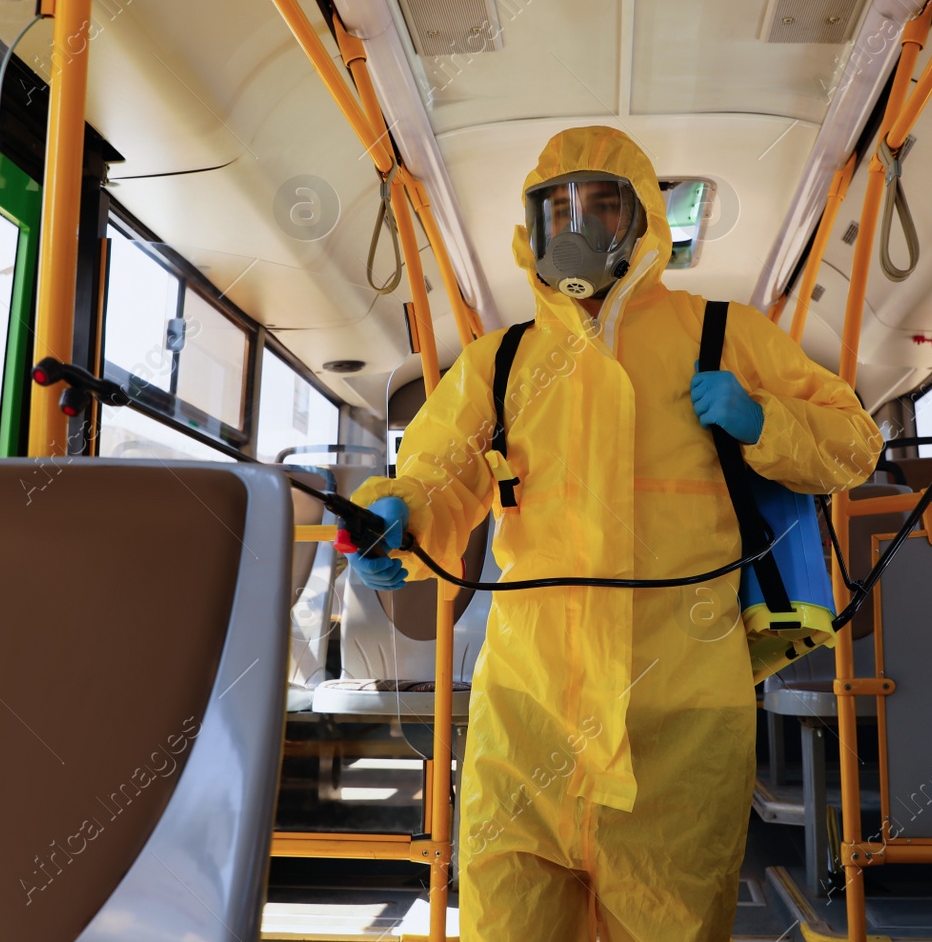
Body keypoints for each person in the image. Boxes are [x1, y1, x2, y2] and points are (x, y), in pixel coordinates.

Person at [349, 126, 881, 941]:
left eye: (603, 205)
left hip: (679, 724)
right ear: (532, 226)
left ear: (643, 223)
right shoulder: (502, 361)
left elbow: (853, 441)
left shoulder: (723, 335)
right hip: (525, 727)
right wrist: (400, 517)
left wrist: (762, 418)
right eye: (558, 206)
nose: (580, 225)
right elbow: (436, 473)